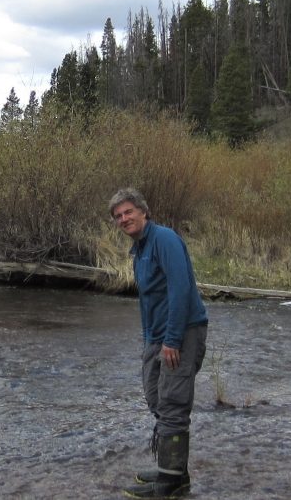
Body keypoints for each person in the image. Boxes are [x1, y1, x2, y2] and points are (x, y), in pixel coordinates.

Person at [108, 188, 208, 499]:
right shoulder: (139, 249)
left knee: (173, 403)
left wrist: (172, 339)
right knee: (156, 398)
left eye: (128, 212)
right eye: (118, 216)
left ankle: (171, 483)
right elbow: (150, 299)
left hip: (181, 332)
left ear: (143, 212)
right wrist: (150, 341)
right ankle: (174, 469)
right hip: (156, 336)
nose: (124, 219)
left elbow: (181, 289)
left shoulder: (164, 239)